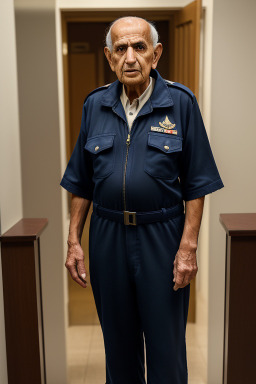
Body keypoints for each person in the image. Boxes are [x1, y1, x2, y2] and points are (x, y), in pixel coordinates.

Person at [60, 16, 224, 384]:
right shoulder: (94, 105)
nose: (130, 57)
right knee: (118, 349)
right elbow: (81, 182)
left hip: (161, 237)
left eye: (139, 47)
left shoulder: (180, 103)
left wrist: (188, 248)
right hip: (107, 235)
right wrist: (74, 240)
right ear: (109, 55)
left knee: (166, 350)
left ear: (156, 53)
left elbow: (197, 183)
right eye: (121, 49)